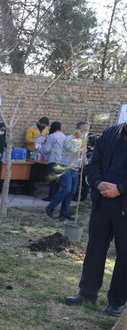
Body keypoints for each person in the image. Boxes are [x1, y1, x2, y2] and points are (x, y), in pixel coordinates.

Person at [64, 122, 127, 318]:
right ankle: (87, 292)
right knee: (95, 249)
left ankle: (117, 301)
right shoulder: (110, 134)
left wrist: (120, 189)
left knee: (124, 255)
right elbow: (94, 164)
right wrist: (98, 184)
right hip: (102, 203)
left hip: (124, 205)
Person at [45, 122, 83, 219]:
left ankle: (64, 211)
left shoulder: (82, 140)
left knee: (72, 191)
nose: (85, 134)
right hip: (66, 166)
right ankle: (51, 206)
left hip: (76, 168)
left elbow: (82, 155)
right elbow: (73, 150)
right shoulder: (68, 139)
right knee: (66, 188)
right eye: (84, 131)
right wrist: (82, 145)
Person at [42, 121, 67, 203]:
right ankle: (55, 196)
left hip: (53, 160)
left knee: (52, 180)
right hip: (62, 161)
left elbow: (47, 149)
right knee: (57, 181)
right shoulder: (64, 136)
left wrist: (40, 148)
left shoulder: (52, 136)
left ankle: (51, 197)